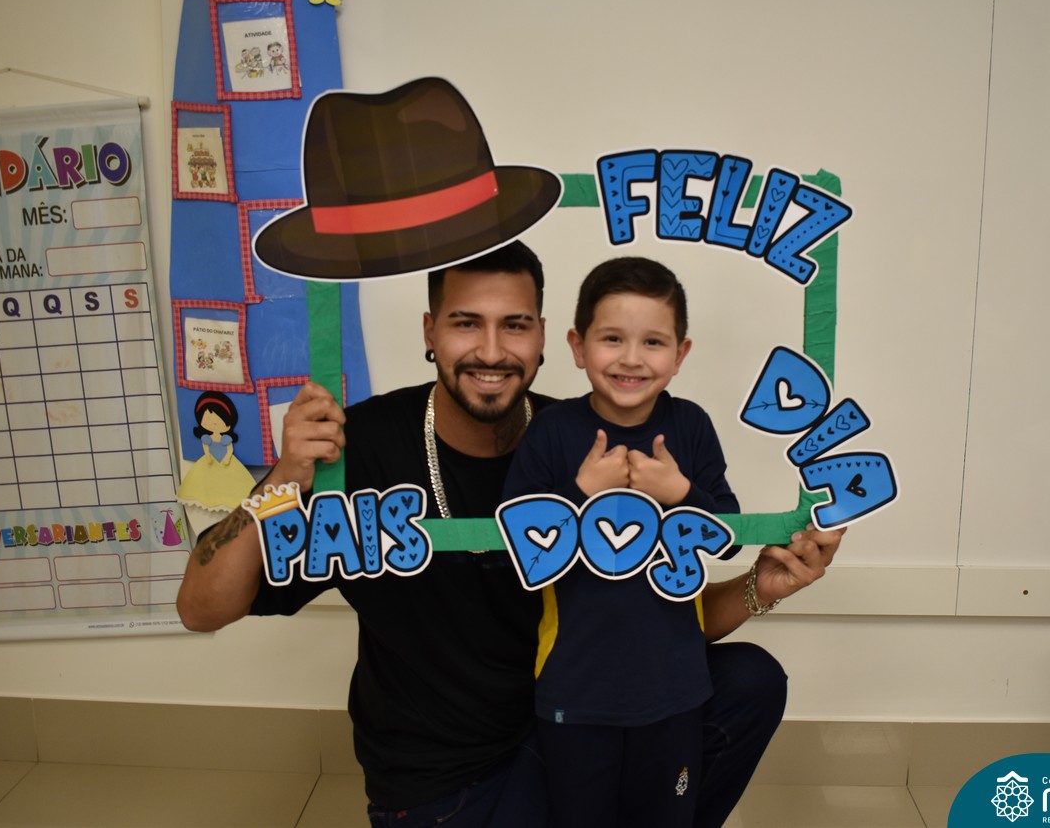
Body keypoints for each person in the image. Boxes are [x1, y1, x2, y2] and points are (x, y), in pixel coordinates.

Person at [175, 241, 845, 828]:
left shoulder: (588, 436)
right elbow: (201, 608)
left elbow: (653, 619)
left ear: (548, 338)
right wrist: (283, 478)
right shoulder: (362, 445)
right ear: (431, 330)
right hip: (449, 783)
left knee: (748, 682)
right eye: (466, 323)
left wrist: (759, 588)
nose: (492, 351)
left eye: (515, 325)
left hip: (573, 716)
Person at [501, 257, 736, 827]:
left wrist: (680, 493)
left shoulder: (692, 426)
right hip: (574, 690)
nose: (632, 358)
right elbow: (518, 553)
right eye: (612, 339)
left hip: (675, 688)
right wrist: (582, 492)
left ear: (680, 354)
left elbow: (729, 536)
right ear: (578, 347)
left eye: (653, 342)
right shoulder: (551, 431)